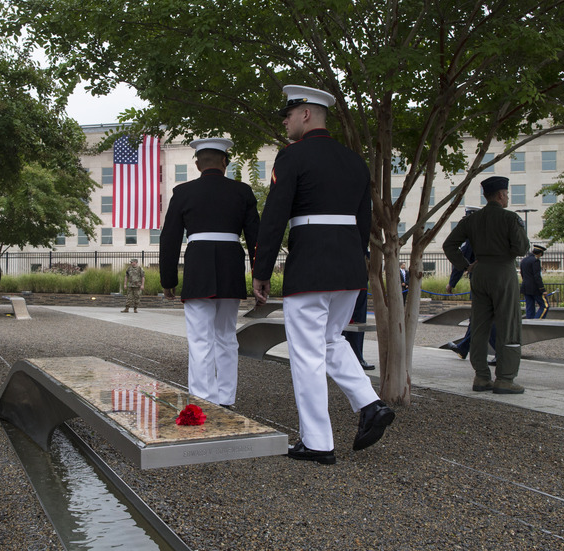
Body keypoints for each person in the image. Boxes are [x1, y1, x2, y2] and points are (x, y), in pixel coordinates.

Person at [251, 85, 394, 464]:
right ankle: (370, 405)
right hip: (348, 266)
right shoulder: (354, 161)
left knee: (307, 353)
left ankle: (317, 442)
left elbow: (275, 216)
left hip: (311, 265)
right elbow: (364, 222)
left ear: (306, 115)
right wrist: (354, 261)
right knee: (331, 340)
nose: (284, 120)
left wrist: (261, 270)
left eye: (288, 113)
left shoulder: (291, 157)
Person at [160, 138, 260, 407]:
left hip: (198, 270)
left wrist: (168, 279)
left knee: (200, 340)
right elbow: (255, 238)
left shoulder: (182, 192)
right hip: (230, 269)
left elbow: (169, 238)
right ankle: (226, 399)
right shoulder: (243, 192)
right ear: (225, 162)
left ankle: (203, 401)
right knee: (226, 337)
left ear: (197, 164)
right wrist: (260, 274)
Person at [443, 176, 530, 394]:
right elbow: (521, 248)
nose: (507, 197)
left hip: (479, 273)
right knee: (508, 325)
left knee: (480, 327)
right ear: (501, 195)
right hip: (503, 271)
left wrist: (465, 265)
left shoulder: (472, 219)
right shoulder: (510, 218)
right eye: (507, 194)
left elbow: (449, 245)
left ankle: (481, 377)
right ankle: (505, 378)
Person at [520, 245, 549, 319]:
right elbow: (537, 276)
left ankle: (530, 324)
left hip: (525, 286)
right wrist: (542, 289)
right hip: (535, 288)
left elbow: (522, 274)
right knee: (545, 306)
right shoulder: (535, 261)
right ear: (540, 253)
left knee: (530, 307)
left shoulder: (524, 260)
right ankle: (536, 322)